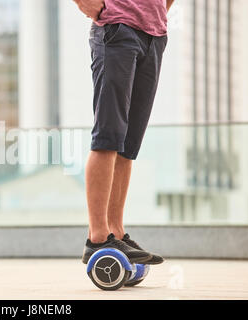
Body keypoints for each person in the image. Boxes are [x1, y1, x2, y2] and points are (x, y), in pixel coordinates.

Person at [73, 0, 175, 265]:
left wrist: (159, 12)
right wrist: (91, 5)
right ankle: (97, 238)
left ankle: (115, 231)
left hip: (154, 35)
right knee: (108, 137)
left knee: (128, 145)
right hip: (117, 29)